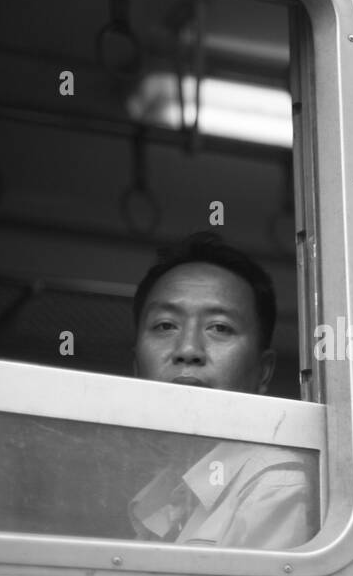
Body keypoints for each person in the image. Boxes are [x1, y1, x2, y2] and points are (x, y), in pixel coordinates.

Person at [127, 232, 316, 549]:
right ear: (135, 366)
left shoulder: (275, 485)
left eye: (219, 328)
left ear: (263, 371)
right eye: (165, 325)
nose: (188, 350)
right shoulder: (159, 495)